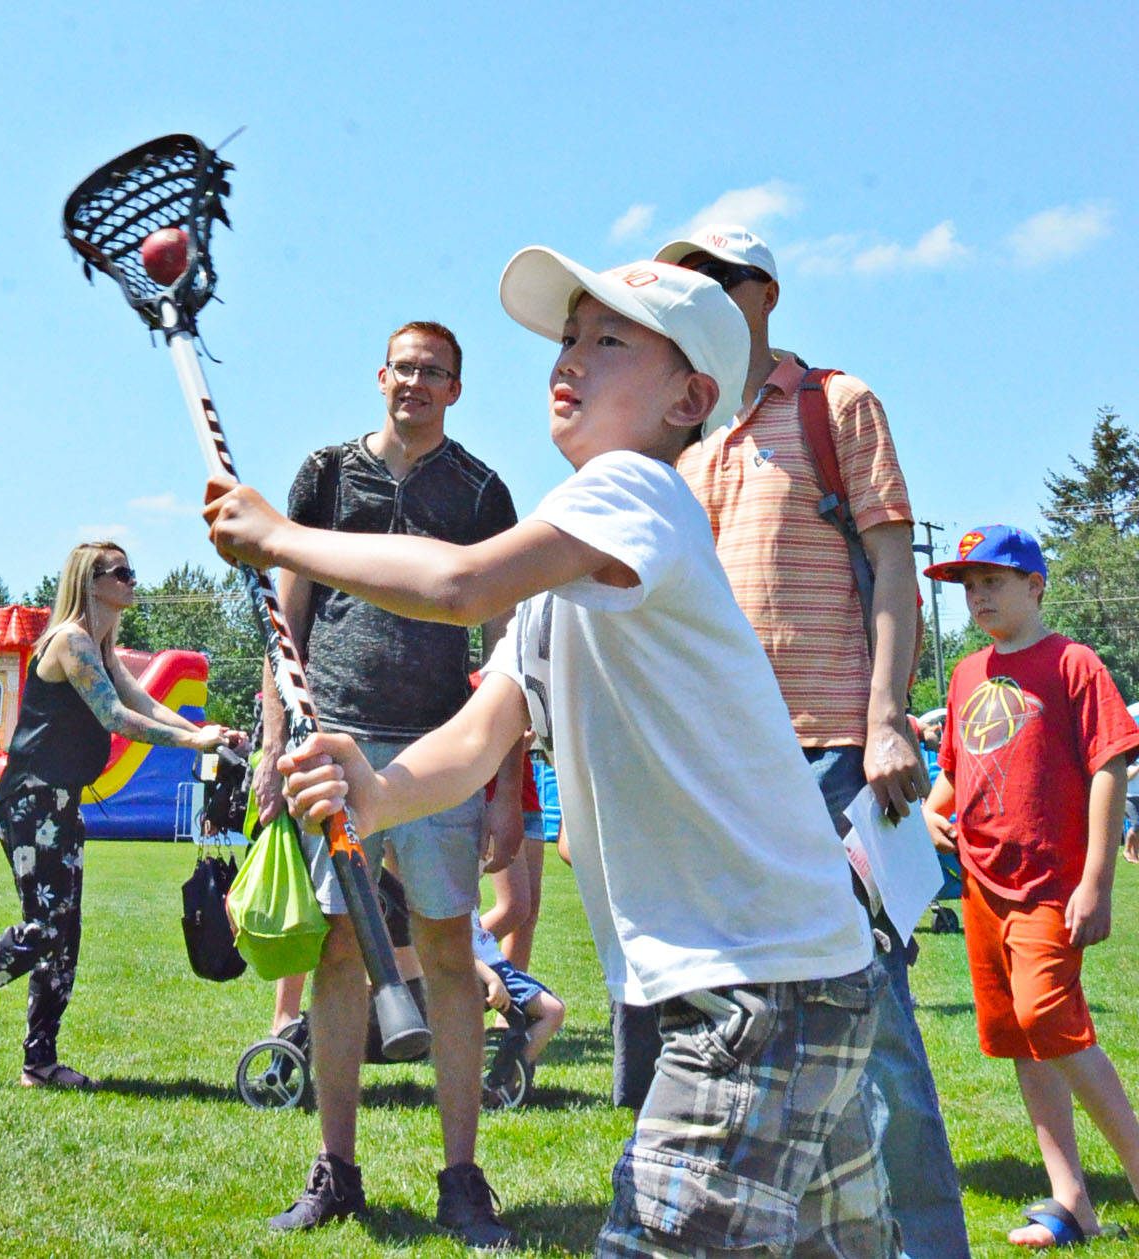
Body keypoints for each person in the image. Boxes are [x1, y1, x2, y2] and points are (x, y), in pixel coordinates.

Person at [207, 249, 898, 1256]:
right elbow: (488, 726)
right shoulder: (570, 567)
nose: (569, 357)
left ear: (688, 396)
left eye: (608, 340)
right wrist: (381, 790)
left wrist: (284, 537)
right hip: (801, 969)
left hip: (761, 986)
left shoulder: (637, 490)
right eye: (568, 337)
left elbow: (455, 585)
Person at [656, 223, 966, 1256]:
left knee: (874, 1027)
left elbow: (892, 574)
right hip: (724, 769)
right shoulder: (685, 434)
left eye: (705, 278)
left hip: (836, 754)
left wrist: (886, 718)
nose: (685, 296)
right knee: (744, 1033)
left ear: (762, 293)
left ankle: (926, 1244)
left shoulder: (836, 404)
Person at [244, 321, 521, 1247]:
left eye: (434, 372)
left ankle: (460, 1177)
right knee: (337, 956)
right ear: (381, 377)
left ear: (456, 386)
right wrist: (274, 738)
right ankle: (336, 1170)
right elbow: (290, 610)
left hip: (440, 750)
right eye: (403, 368)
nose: (415, 383)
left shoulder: (481, 491)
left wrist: (506, 780)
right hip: (334, 741)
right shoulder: (325, 474)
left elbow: (504, 647)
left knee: (448, 957)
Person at [0, 543, 244, 1088]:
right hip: (31, 800)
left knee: (65, 935)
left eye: (132, 570)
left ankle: (40, 1061)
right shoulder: (71, 642)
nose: (132, 580)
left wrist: (208, 733)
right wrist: (193, 741)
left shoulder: (102, 648)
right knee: (42, 930)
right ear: (90, 581)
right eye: (121, 572)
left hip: (60, 802)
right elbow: (116, 718)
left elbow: (146, 704)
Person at [920, 525, 1139, 1247]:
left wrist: (1096, 880)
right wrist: (931, 808)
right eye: (968, 585)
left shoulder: (1073, 662)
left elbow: (1111, 765)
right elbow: (955, 765)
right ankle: (1070, 1198)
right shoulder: (964, 672)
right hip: (983, 885)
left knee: (1051, 1018)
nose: (978, 596)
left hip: (1051, 883)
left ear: (1035, 584)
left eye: (993, 581)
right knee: (1022, 1036)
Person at [470, 907, 563, 1106]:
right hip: (491, 970)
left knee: (550, 1010)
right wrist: (492, 978)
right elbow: (458, 946)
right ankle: (505, 1081)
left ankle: (510, 1072)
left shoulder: (461, 889)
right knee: (553, 1011)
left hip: (497, 965)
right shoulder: (451, 896)